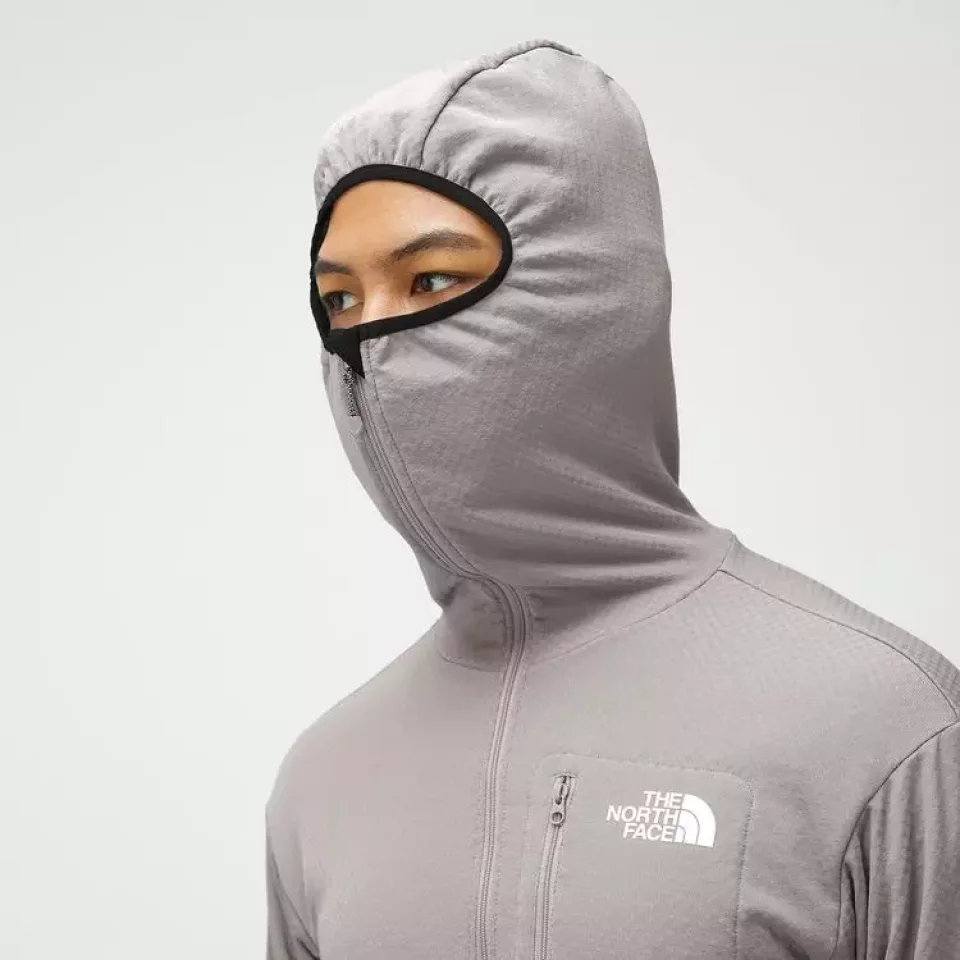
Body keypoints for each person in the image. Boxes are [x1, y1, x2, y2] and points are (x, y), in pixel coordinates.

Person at [266, 37, 960, 960]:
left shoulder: (885, 728)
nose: (372, 345)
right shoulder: (326, 779)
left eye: (431, 280)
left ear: (586, 290)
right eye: (341, 301)